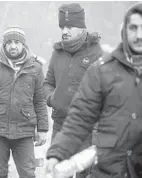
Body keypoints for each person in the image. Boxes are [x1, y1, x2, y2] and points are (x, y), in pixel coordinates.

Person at [46, 3, 142, 178]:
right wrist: (57, 152)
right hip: (110, 166)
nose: (139, 35)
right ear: (124, 31)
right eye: (134, 28)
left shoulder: (95, 54)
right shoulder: (103, 70)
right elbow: (81, 116)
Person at [0, 26, 49, 178]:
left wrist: (42, 129)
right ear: (4, 44)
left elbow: (40, 101)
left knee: (28, 173)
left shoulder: (36, 68)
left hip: (24, 131)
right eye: (9, 42)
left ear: (23, 44)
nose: (13, 46)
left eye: (17, 42)